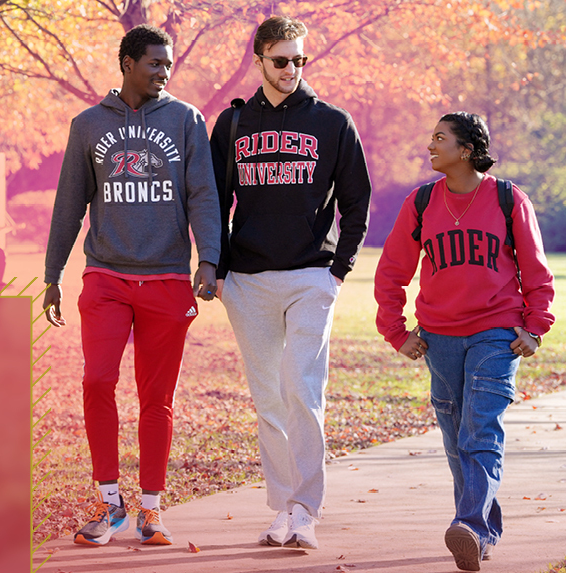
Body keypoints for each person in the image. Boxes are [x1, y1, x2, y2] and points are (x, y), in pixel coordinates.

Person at [41, 24, 222, 547]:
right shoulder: (88, 125)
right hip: (106, 276)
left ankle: (151, 509)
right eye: (154, 64)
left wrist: (208, 259)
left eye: (168, 65)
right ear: (126, 63)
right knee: (97, 381)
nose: (164, 72)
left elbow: (203, 195)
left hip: (166, 277)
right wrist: (53, 274)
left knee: (156, 398)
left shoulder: (187, 120)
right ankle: (108, 502)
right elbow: (69, 204)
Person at [209, 15, 371, 550]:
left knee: (301, 390)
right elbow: (212, 202)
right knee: (268, 400)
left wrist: (338, 271)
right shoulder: (232, 125)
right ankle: (281, 507)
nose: (291, 69)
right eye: (281, 60)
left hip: (310, 277)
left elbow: (356, 202)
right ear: (259, 60)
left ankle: (306, 508)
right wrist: (215, 265)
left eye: (300, 60)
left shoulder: (333, 122)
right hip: (249, 282)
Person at [374, 112, 553, 571]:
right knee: (456, 438)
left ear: (467, 150)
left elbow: (535, 268)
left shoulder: (508, 199)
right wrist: (396, 331)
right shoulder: (421, 202)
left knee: (480, 429)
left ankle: (469, 524)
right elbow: (392, 270)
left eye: (440, 138)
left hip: (497, 332)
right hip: (439, 335)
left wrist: (536, 327)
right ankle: (482, 533)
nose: (430, 145)